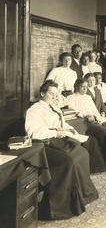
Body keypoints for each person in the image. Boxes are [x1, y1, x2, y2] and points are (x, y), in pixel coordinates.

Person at [25, 80, 99, 219]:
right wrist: (55, 133)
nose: (54, 97)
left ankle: (83, 196)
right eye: (51, 94)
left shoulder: (54, 107)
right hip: (42, 144)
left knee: (82, 153)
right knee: (69, 161)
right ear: (42, 93)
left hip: (58, 139)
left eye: (56, 94)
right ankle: (59, 208)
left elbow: (61, 123)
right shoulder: (35, 109)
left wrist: (69, 128)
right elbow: (33, 132)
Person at [68, 78, 106, 168]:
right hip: (84, 123)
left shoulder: (88, 97)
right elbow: (74, 112)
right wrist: (87, 115)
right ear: (77, 86)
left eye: (86, 87)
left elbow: (95, 110)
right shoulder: (71, 98)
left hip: (95, 119)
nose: (85, 89)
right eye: (82, 87)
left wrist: (98, 117)